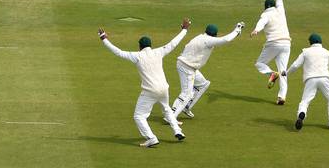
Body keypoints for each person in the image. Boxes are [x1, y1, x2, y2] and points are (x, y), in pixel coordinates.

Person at [97, 18, 192, 147]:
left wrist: (104, 39)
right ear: (150, 45)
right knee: (166, 109)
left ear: (140, 46)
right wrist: (184, 30)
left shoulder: (137, 56)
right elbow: (173, 43)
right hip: (164, 88)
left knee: (139, 116)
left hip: (150, 91)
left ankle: (151, 138)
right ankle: (178, 131)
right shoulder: (158, 52)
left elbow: (118, 52)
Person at [171, 22, 244, 120]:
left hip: (187, 65)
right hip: (187, 67)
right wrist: (237, 30)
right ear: (214, 35)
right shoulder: (208, 40)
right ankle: (171, 116)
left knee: (203, 84)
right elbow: (226, 39)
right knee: (186, 94)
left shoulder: (200, 37)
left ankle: (186, 107)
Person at [282, 33, 329, 130]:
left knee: (305, 101)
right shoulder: (326, 52)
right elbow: (328, 65)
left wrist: (286, 73)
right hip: (325, 78)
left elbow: (296, 65)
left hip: (310, 79)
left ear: (310, 42)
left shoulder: (305, 51)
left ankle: (301, 115)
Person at [250, 0, 290, 105]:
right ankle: (281, 97)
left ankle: (271, 73)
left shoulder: (265, 14)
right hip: (286, 43)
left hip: (273, 43)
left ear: (265, 7)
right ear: (274, 6)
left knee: (259, 63)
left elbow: (261, 23)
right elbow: (280, 0)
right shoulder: (280, 10)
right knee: (283, 70)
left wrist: (256, 30)